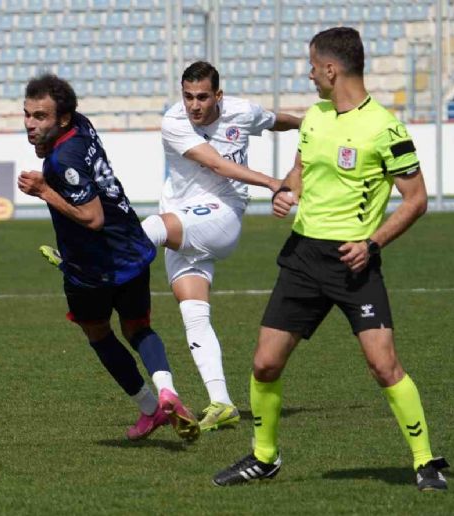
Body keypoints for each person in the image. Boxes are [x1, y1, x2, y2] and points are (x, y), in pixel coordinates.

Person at [213, 27, 450, 491]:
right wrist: (285, 193)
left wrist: (372, 244)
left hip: (354, 260)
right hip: (303, 256)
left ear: (330, 69)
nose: (307, 74)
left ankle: (425, 462)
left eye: (311, 65)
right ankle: (264, 457)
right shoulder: (316, 118)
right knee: (264, 364)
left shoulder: (385, 127)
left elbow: (416, 198)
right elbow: (300, 172)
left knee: (384, 366)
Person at [41, 62, 302, 432]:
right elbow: (214, 162)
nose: (195, 105)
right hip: (185, 221)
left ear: (219, 96)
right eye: (188, 96)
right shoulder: (174, 122)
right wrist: (274, 182)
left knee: (150, 229)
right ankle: (222, 402)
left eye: (203, 97)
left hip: (221, 216)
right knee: (194, 314)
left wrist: (311, 129)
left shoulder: (243, 112)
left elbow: (278, 122)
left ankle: (82, 261)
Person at [19, 73, 200, 442]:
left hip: (92, 267)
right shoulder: (82, 127)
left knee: (98, 333)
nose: (30, 124)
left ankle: (150, 409)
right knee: (138, 329)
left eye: (40, 117)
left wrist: (43, 190)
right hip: (131, 248)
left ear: (62, 119)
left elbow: (92, 217)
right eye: (27, 115)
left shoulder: (61, 161)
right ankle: (168, 390)